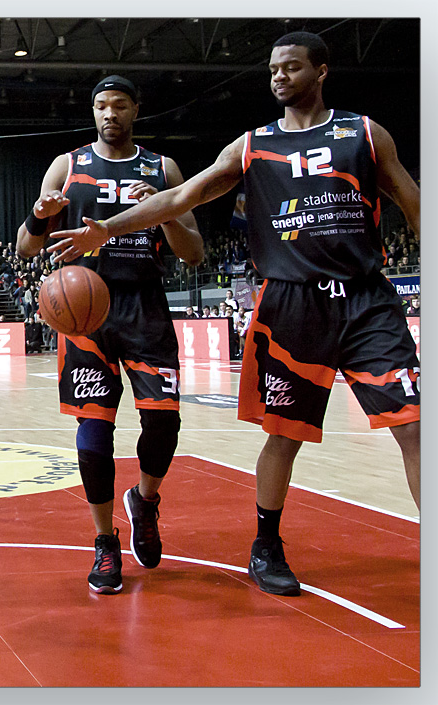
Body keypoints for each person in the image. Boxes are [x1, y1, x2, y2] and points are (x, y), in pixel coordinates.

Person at [48, 32, 421, 597]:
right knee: (284, 434)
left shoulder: (364, 133)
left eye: (292, 68)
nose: (279, 77)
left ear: (321, 72)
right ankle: (265, 544)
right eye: (273, 69)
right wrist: (108, 227)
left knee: (416, 428)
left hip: (367, 297)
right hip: (294, 306)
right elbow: (181, 199)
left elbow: (414, 205)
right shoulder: (251, 146)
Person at [17, 75, 204, 594]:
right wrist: (40, 215)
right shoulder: (68, 165)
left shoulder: (163, 167)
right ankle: (104, 542)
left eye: (119, 105)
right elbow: (25, 248)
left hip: (146, 307)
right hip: (87, 313)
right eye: (100, 105)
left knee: (163, 427)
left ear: (135, 110)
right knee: (95, 431)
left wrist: (164, 209)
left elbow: (194, 253)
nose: (108, 114)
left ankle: (144, 500)